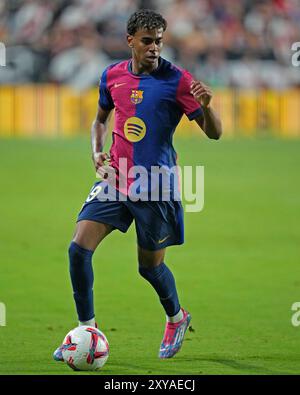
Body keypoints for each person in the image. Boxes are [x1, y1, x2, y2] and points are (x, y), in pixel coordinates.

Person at [53, 9, 222, 361]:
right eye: (147, 41)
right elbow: (99, 120)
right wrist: (97, 153)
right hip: (116, 177)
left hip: (156, 185)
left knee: (149, 267)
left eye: (159, 41)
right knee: (77, 249)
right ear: (130, 40)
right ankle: (87, 331)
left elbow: (214, 133)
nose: (154, 47)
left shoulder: (177, 80)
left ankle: (176, 317)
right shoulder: (112, 76)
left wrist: (208, 108)